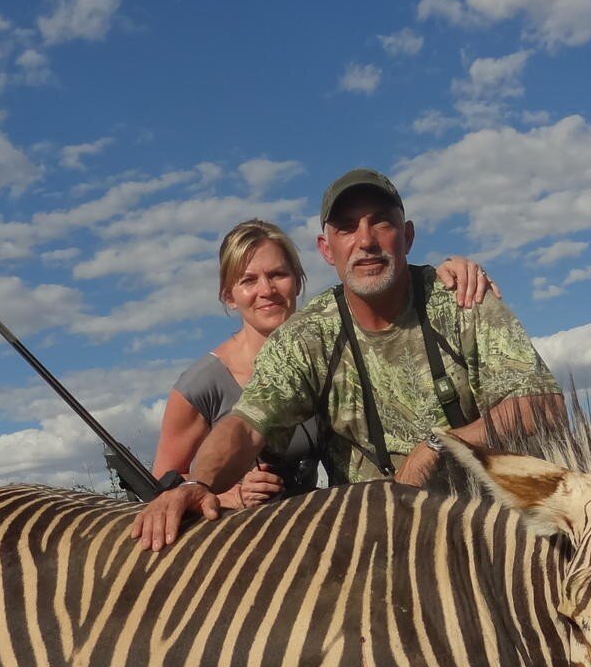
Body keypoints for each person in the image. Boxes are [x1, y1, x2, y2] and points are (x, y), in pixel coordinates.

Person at [134, 167, 563, 549]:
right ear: (326, 249)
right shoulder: (307, 336)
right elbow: (246, 424)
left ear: (407, 235)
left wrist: (438, 446)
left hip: (491, 528)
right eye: (346, 228)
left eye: (381, 222)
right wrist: (198, 483)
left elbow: (541, 405)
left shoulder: (462, 299)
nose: (366, 241)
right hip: (376, 542)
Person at [151, 217, 500, 510]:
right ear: (229, 295)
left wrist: (444, 278)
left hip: (316, 526)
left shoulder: (325, 350)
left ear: (298, 279)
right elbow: (163, 484)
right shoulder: (202, 383)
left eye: (278, 275)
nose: (267, 290)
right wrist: (225, 494)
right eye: (248, 281)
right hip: (241, 540)